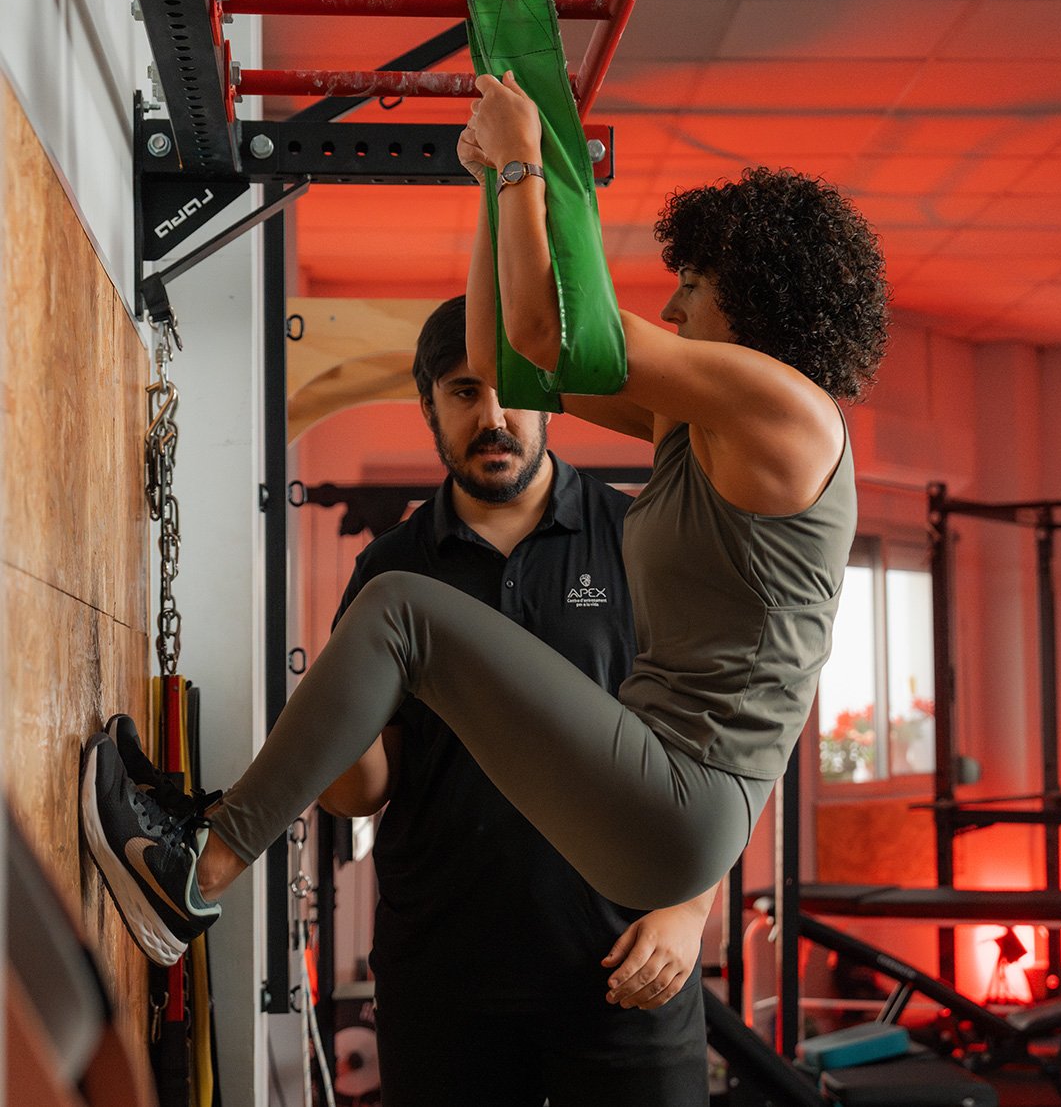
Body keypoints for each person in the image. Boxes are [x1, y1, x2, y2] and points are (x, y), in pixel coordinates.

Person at [79, 69, 889, 977]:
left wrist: (520, 165)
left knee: (400, 609)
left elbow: (546, 337)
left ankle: (199, 867)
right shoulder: (703, 424)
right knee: (401, 611)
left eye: (691, 284)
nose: (671, 307)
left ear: (755, 297)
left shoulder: (789, 411)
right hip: (657, 787)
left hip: (680, 801)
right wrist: (488, 186)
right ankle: (202, 848)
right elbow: (512, 349)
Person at [317, 296, 710, 1105]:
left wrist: (688, 912)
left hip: (626, 956)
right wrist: (327, 719)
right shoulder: (391, 572)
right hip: (447, 971)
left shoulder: (641, 538)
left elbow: (717, 747)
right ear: (429, 406)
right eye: (464, 393)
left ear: (555, 400)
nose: (493, 416)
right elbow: (361, 789)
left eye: (514, 388)